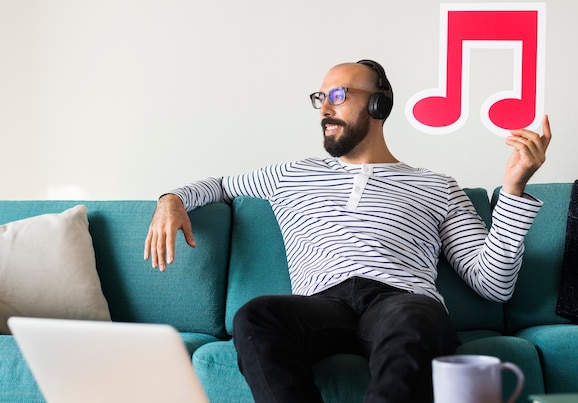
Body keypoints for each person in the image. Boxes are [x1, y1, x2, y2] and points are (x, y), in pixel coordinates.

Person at [144, 59, 552, 402]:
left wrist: (514, 190)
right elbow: (219, 186)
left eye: (338, 96)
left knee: (416, 319)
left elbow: (492, 285)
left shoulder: (437, 185)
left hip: (401, 302)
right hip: (321, 305)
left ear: (378, 104)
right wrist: (172, 200)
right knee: (255, 316)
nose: (325, 108)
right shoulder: (292, 174)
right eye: (320, 98)